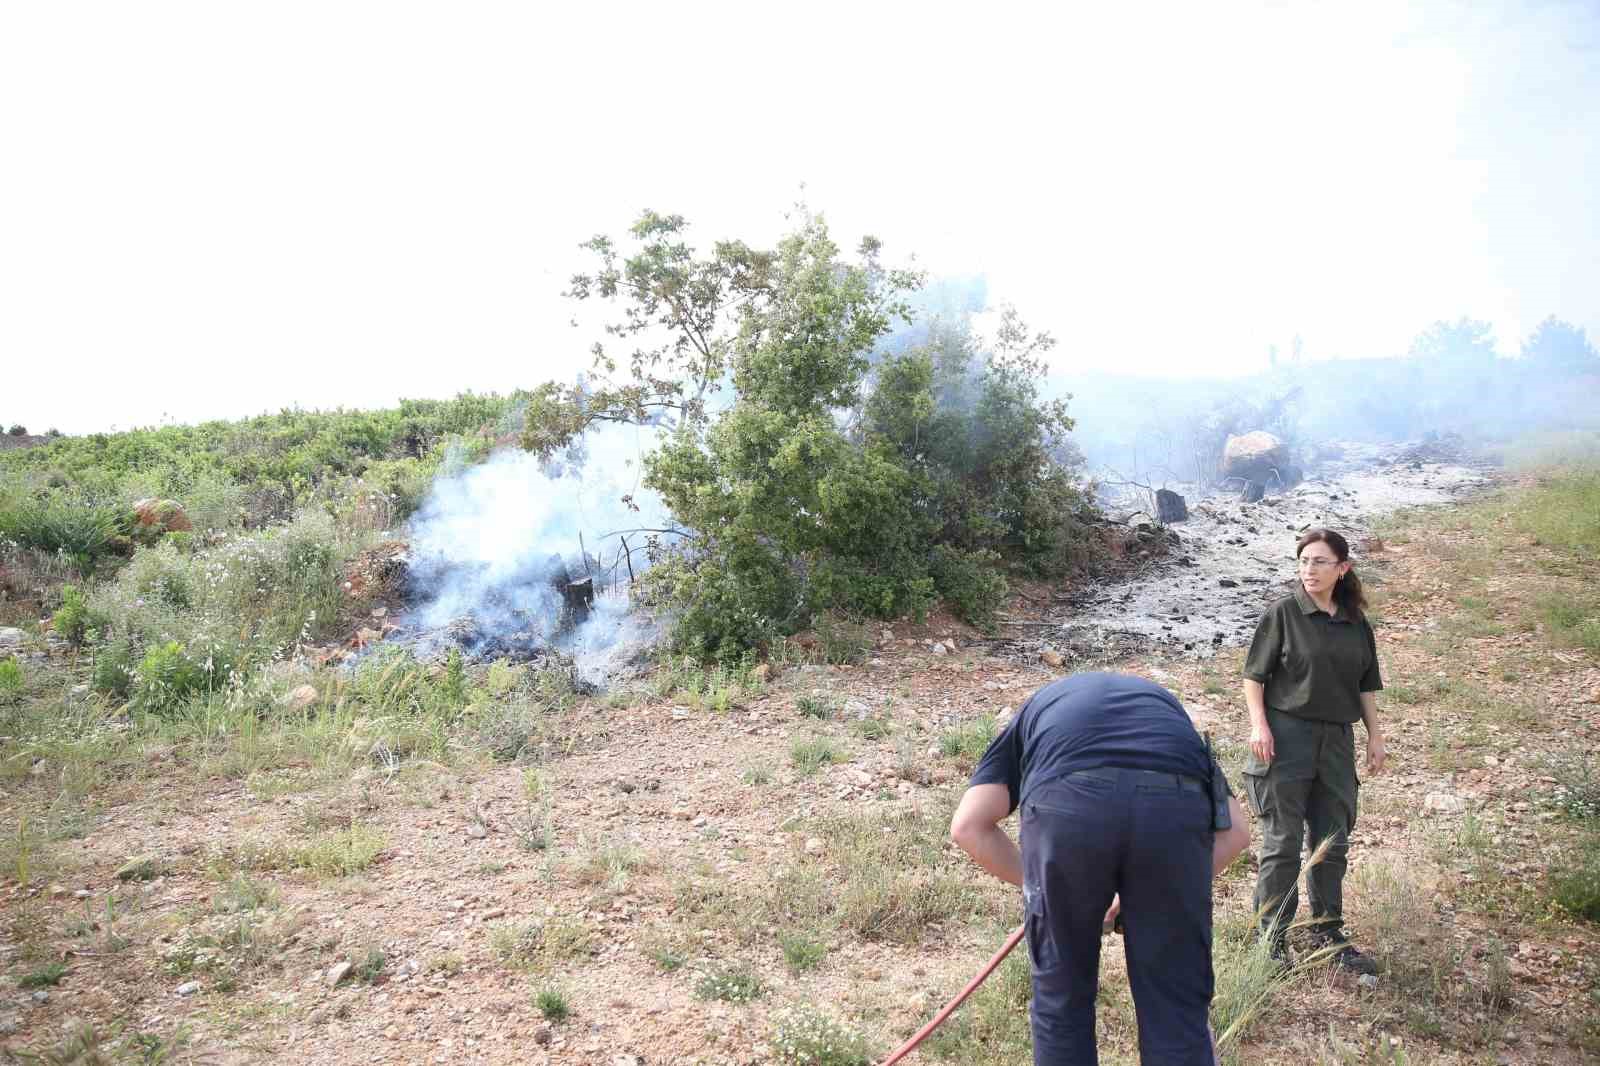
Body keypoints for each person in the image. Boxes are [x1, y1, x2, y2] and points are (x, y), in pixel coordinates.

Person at [950, 672, 1249, 1066]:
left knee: (1062, 1001)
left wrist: (1047, 887)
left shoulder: (1036, 711)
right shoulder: (1169, 715)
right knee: (1176, 1004)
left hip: (1067, 807)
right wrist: (1154, 892)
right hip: (1171, 807)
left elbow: (968, 826)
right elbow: (1238, 832)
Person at [1242, 528, 1385, 975]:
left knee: (1331, 840)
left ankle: (1328, 932)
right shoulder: (1284, 613)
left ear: (1343, 568)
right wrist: (1259, 726)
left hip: (1337, 743)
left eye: (1320, 561)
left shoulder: (1356, 622)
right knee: (1282, 843)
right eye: (1304, 561)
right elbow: (1254, 678)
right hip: (1286, 738)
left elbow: (1365, 686)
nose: (1310, 570)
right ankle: (1271, 939)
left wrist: (1375, 736)